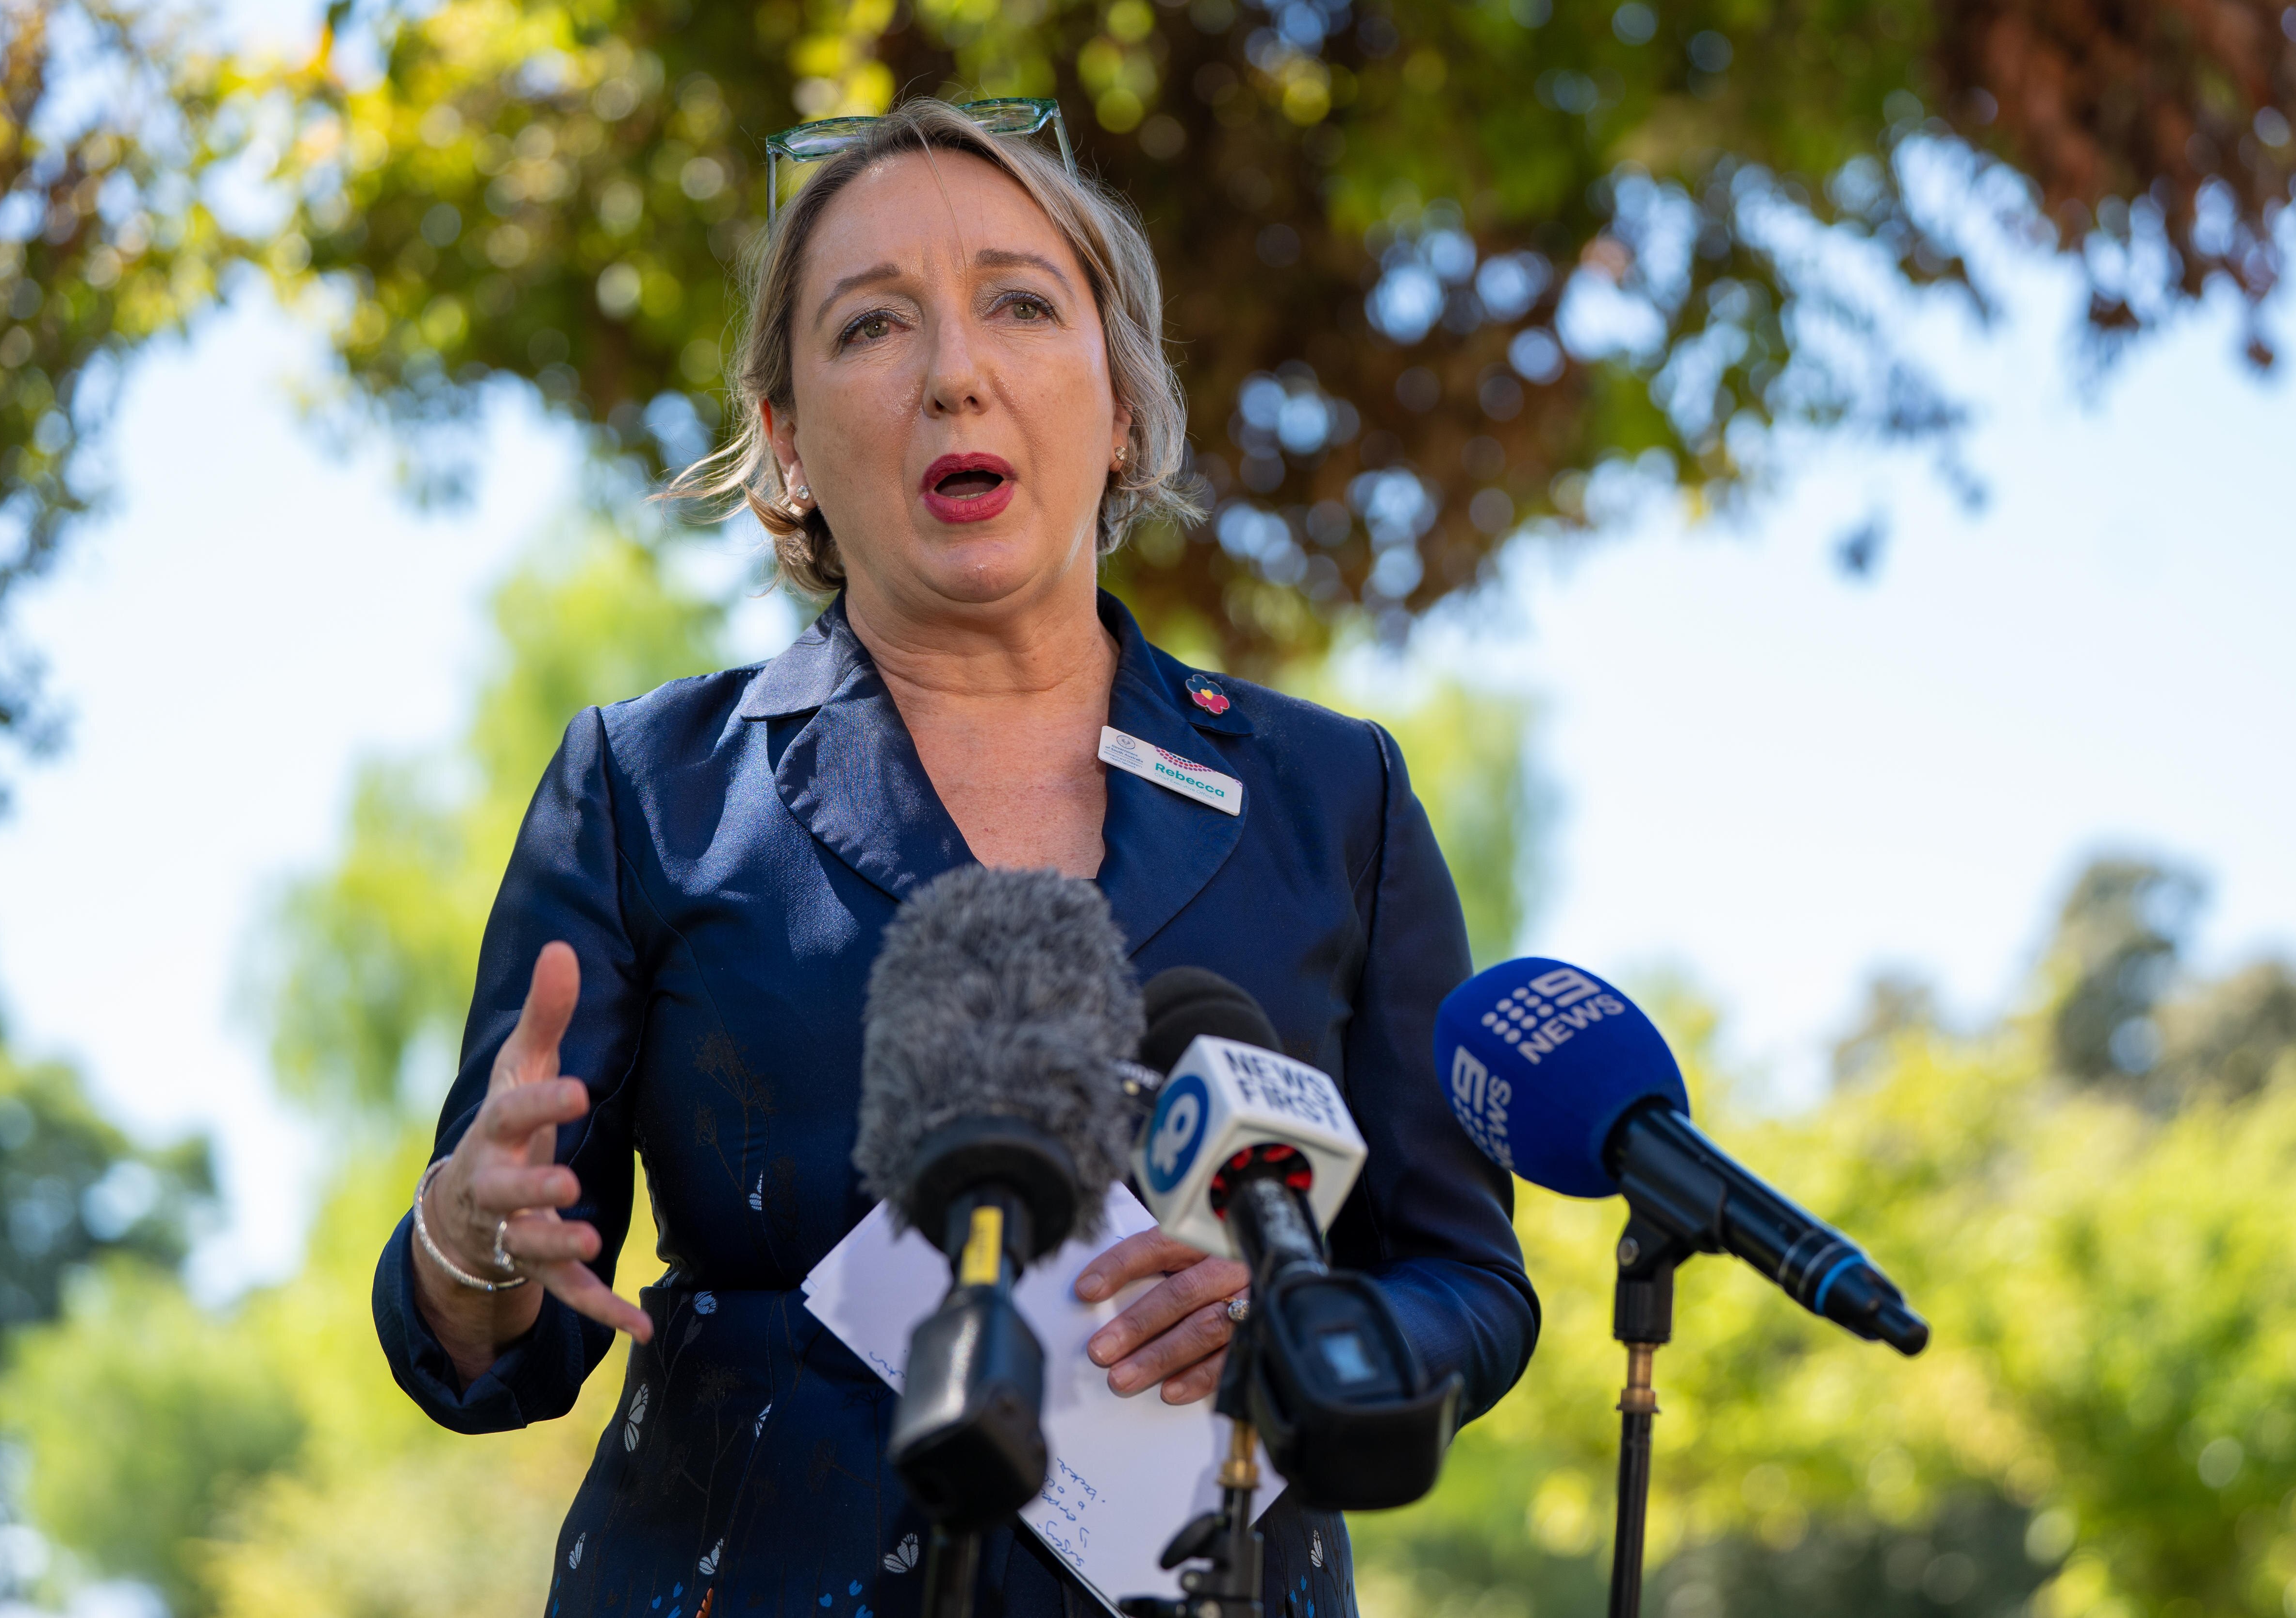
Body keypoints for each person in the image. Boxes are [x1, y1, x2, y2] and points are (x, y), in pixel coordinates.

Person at [373, 98, 1539, 1618]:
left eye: (1019, 304)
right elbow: (499, 1343)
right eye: (871, 328)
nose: (955, 374)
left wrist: (1316, 1329)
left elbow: (1470, 1284)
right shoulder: (648, 786)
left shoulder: (1335, 796)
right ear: (786, 444)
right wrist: (469, 1250)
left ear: (1121, 403)